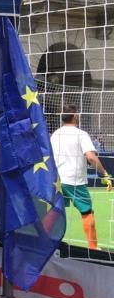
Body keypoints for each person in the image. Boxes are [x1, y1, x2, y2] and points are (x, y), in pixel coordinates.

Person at [50, 104, 112, 250]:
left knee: (55, 212)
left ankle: (48, 243)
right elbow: (91, 157)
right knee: (87, 211)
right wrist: (104, 173)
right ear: (76, 116)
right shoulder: (81, 134)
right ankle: (93, 247)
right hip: (74, 181)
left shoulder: (55, 135)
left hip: (58, 181)